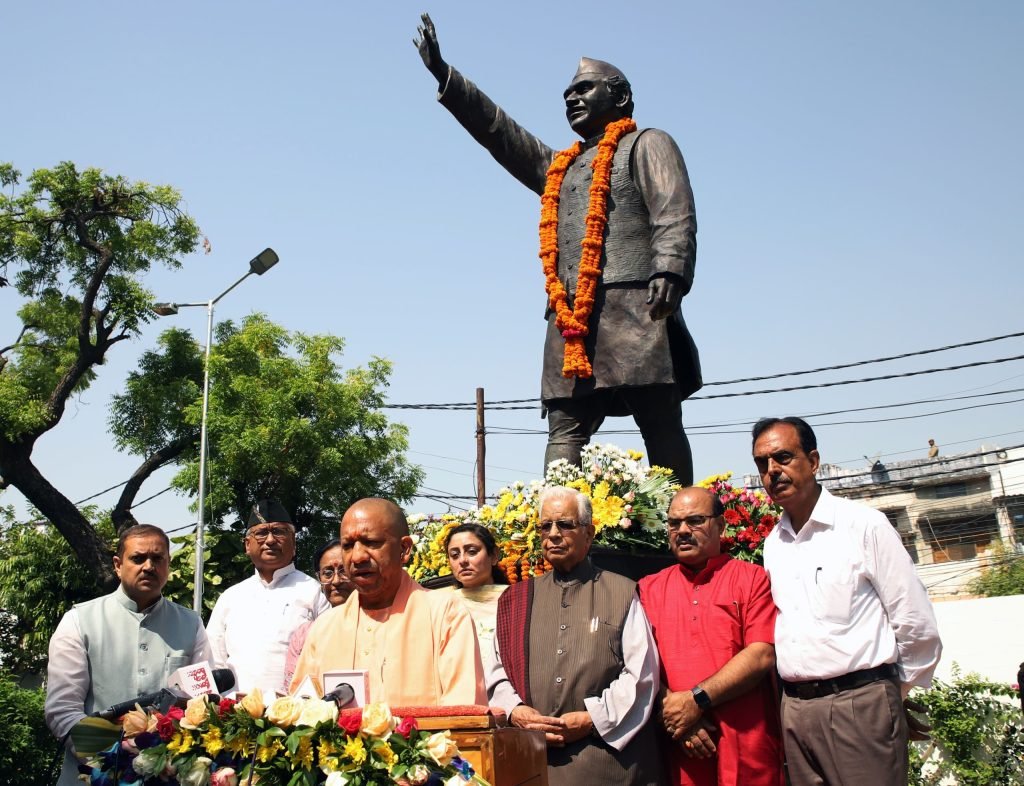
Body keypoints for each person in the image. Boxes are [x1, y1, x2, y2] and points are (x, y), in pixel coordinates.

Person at [414, 14, 701, 485]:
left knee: (658, 416)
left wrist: (670, 270)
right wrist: (448, 77)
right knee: (564, 426)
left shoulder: (648, 143)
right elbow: (499, 134)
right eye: (567, 95)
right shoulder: (560, 168)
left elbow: (674, 210)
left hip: (635, 305)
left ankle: (683, 518)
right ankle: (557, 529)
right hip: (570, 320)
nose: (572, 99)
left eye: (585, 89)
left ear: (621, 96)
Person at [751, 416, 943, 786]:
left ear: (814, 461)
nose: (772, 471)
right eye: (762, 463)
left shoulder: (863, 525)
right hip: (795, 710)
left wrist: (888, 692)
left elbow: (914, 620)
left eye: (783, 457)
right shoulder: (774, 543)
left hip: (860, 705)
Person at [490, 486, 664, 785]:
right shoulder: (515, 600)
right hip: (532, 760)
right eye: (546, 526)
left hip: (606, 762)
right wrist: (516, 711)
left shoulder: (622, 592)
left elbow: (642, 673)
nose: (554, 534)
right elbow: (494, 671)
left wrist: (591, 719)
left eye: (565, 524)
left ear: (589, 533)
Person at [45, 524, 212, 786]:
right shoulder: (79, 620)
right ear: (118, 565)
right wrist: (116, 756)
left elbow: (201, 704)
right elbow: (62, 710)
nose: (148, 566)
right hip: (90, 775)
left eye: (158, 559)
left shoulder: (191, 624)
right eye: (137, 558)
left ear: (168, 564)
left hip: (166, 774)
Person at [638, 487, 783, 786]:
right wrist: (677, 716)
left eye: (695, 521)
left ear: (720, 525)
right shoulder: (648, 589)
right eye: (674, 523)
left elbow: (761, 654)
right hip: (681, 746)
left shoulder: (751, 578)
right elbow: (636, 661)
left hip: (746, 742)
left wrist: (696, 701)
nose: (682, 531)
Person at [289, 498, 486, 706]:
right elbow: (301, 713)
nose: (357, 557)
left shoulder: (446, 614)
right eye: (347, 545)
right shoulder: (324, 628)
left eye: (371, 542)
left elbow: (465, 713)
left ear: (404, 549)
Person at [207, 499, 330, 696]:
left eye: (279, 532)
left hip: (295, 715)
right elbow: (214, 660)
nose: (271, 540)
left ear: (294, 543)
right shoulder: (231, 597)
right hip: (233, 714)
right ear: (247, 545)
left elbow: (326, 654)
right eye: (262, 533)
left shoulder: (314, 591)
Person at [282, 538, 353, 691]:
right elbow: (293, 689)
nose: (336, 580)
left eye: (344, 571)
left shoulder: (376, 624)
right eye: (327, 573)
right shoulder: (305, 634)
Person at [445, 523, 508, 672]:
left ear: (494, 556)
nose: (462, 561)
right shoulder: (444, 605)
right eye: (454, 555)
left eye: (472, 552)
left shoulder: (516, 600)